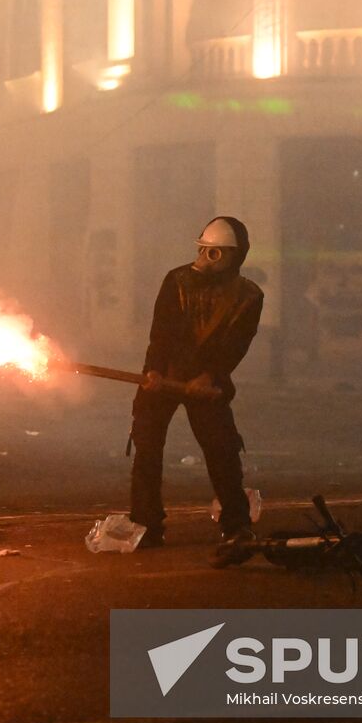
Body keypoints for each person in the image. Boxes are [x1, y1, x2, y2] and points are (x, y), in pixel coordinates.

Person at [128, 217, 264, 564]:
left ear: (234, 256)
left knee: (222, 450)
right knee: (147, 446)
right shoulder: (177, 281)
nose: (205, 258)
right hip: (165, 375)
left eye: (214, 252)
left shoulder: (248, 297)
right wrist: (155, 371)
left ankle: (237, 525)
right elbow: (162, 333)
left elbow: (236, 345)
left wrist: (212, 376)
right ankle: (147, 524)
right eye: (203, 250)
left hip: (207, 383)